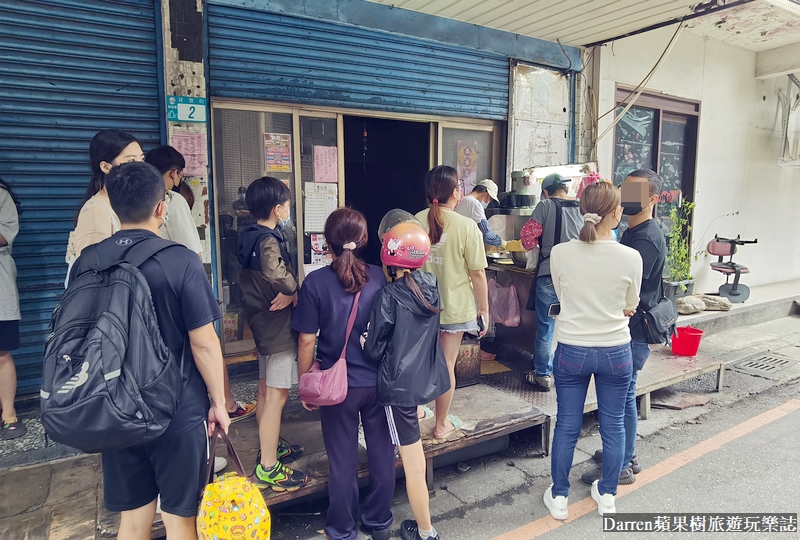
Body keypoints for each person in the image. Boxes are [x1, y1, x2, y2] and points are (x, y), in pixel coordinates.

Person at [69, 161, 230, 538]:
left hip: (115, 406)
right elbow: (204, 343)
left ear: (114, 206)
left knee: (134, 520)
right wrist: (220, 403)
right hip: (178, 409)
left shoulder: (87, 262)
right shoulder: (181, 261)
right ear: (162, 208)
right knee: (179, 520)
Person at [293, 208, 395, 540]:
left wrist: (306, 379)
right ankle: (379, 521)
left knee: (342, 460)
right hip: (378, 382)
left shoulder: (315, 283)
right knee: (382, 451)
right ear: (364, 240)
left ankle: (342, 529)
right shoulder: (381, 277)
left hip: (338, 389)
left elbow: (307, 339)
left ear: (327, 243)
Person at [543, 181, 642, 520]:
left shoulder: (560, 253)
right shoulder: (631, 257)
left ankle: (558, 497)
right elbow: (631, 304)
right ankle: (608, 494)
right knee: (613, 425)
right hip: (616, 350)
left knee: (567, 426)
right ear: (616, 213)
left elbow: (562, 293)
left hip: (572, 349)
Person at [145, 146, 255, 426]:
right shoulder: (170, 200)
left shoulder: (128, 202)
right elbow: (192, 252)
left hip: (148, 294)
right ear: (173, 174)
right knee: (206, 345)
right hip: (178, 288)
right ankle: (225, 405)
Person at [363, 219, 450, 540]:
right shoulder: (431, 285)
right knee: (414, 458)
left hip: (398, 388)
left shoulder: (388, 296)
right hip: (421, 382)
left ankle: (426, 532)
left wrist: (364, 342)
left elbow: (374, 351)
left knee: (413, 464)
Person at [581, 169, 666, 487]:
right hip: (626, 329)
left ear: (653, 199)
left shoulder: (646, 237)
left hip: (632, 332)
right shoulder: (632, 230)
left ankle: (623, 464)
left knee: (620, 397)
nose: (625, 198)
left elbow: (626, 288)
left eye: (635, 193)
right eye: (624, 191)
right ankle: (625, 453)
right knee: (624, 395)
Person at [238, 176, 308, 492]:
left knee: (266, 390)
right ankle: (268, 467)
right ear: (278, 209)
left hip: (261, 321)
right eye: (288, 205)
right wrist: (293, 290)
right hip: (277, 325)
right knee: (277, 395)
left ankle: (272, 446)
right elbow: (275, 273)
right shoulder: (267, 240)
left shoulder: (247, 234)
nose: (289, 210)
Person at [415, 165, 489, 440]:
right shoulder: (466, 226)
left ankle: (416, 411)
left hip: (419, 307)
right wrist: (484, 309)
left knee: (418, 361)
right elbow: (478, 273)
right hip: (454, 308)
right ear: (455, 192)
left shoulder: (414, 222)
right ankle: (441, 424)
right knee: (446, 364)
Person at [519, 173, 583, 391]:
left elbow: (527, 238)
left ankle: (544, 375)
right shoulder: (582, 207)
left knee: (546, 328)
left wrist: (540, 243)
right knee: (572, 326)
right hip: (577, 277)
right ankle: (570, 371)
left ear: (545, 192)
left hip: (550, 275)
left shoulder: (545, 206)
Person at [65, 130, 144, 287]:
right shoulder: (96, 211)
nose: (140, 167)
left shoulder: (132, 203)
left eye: (142, 159)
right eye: (131, 160)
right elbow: (93, 272)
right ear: (106, 167)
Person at [0, 178, 25, 440]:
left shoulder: (1, 197)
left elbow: (5, 236)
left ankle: (9, 415)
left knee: (1, 353)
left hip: (0, 290)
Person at [144, 145, 203, 255]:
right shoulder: (173, 199)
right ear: (173, 173)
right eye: (180, 176)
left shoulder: (133, 197)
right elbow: (192, 251)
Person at [454, 179, 506, 248]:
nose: (488, 202)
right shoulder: (475, 204)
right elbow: (487, 235)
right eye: (489, 200)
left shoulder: (461, 200)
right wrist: (504, 244)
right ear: (486, 194)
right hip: (464, 246)